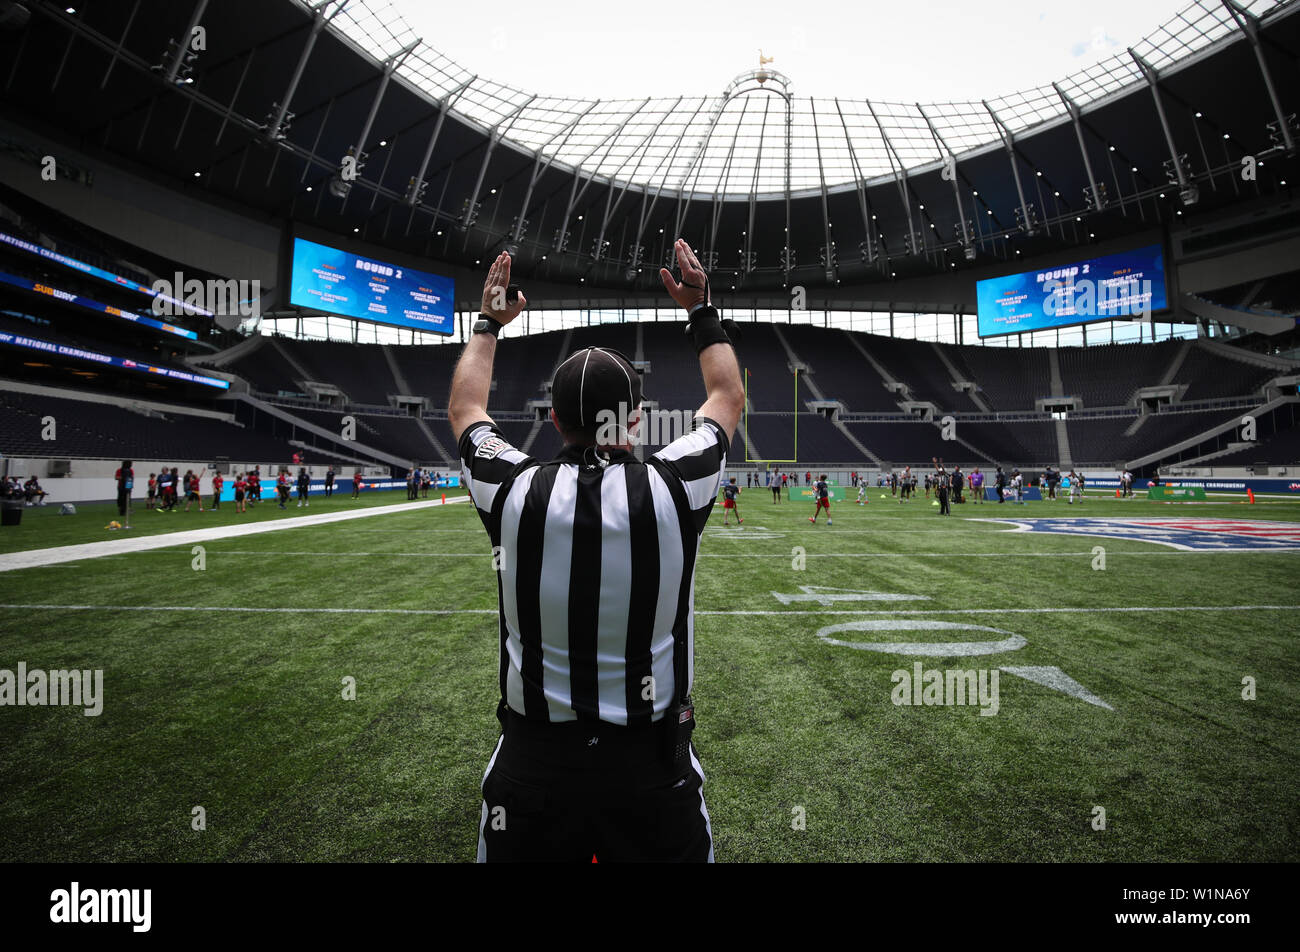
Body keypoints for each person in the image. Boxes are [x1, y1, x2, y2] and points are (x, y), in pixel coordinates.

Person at [452, 241, 740, 863]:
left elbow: (466, 408)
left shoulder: (512, 488)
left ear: (553, 419)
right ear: (635, 420)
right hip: (650, 770)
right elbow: (725, 400)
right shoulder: (674, 484)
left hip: (534, 767)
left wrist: (487, 324)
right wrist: (701, 309)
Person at [114, 460, 133, 528]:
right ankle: (121, 510)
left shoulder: (131, 470)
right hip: (121, 487)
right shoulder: (119, 470)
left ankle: (127, 510)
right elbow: (116, 477)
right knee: (120, 498)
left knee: (127, 498)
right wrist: (123, 477)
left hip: (128, 487)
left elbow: (132, 477)